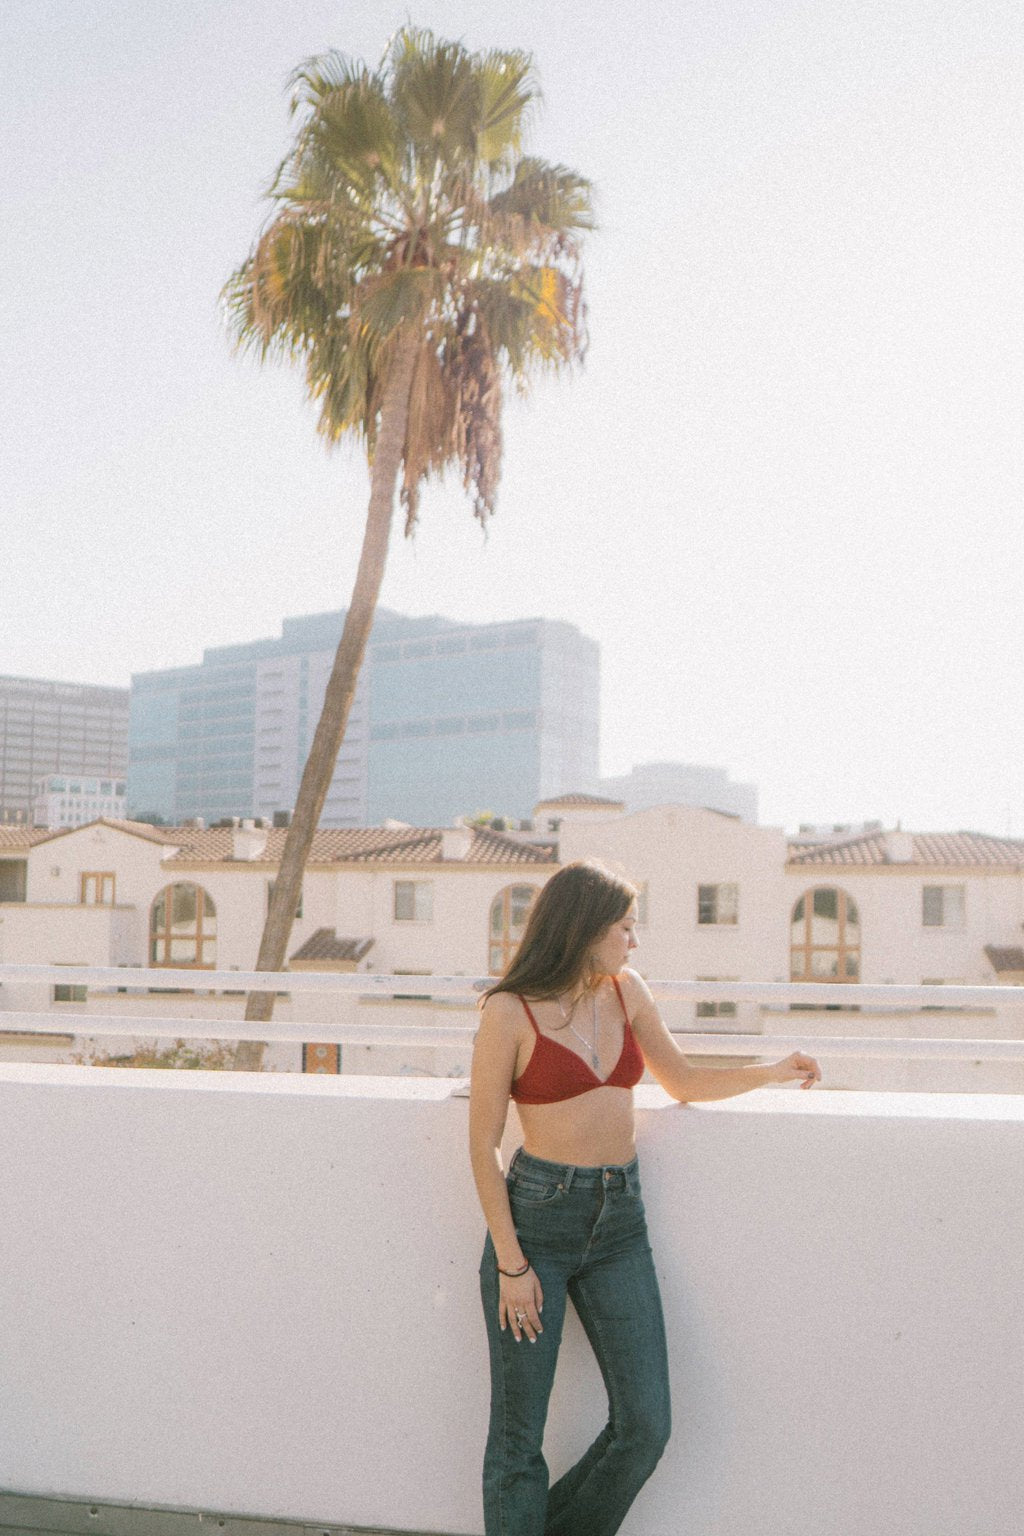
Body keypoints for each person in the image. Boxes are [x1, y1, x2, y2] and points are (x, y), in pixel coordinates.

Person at [469, 859, 821, 1536]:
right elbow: (483, 1145)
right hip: (536, 1227)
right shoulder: (508, 1011)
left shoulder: (627, 992)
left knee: (645, 1425)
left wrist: (773, 1071)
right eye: (624, 927)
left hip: (619, 1224)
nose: (634, 941)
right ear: (584, 929)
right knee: (519, 1439)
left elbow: (682, 1080)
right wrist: (512, 1265)